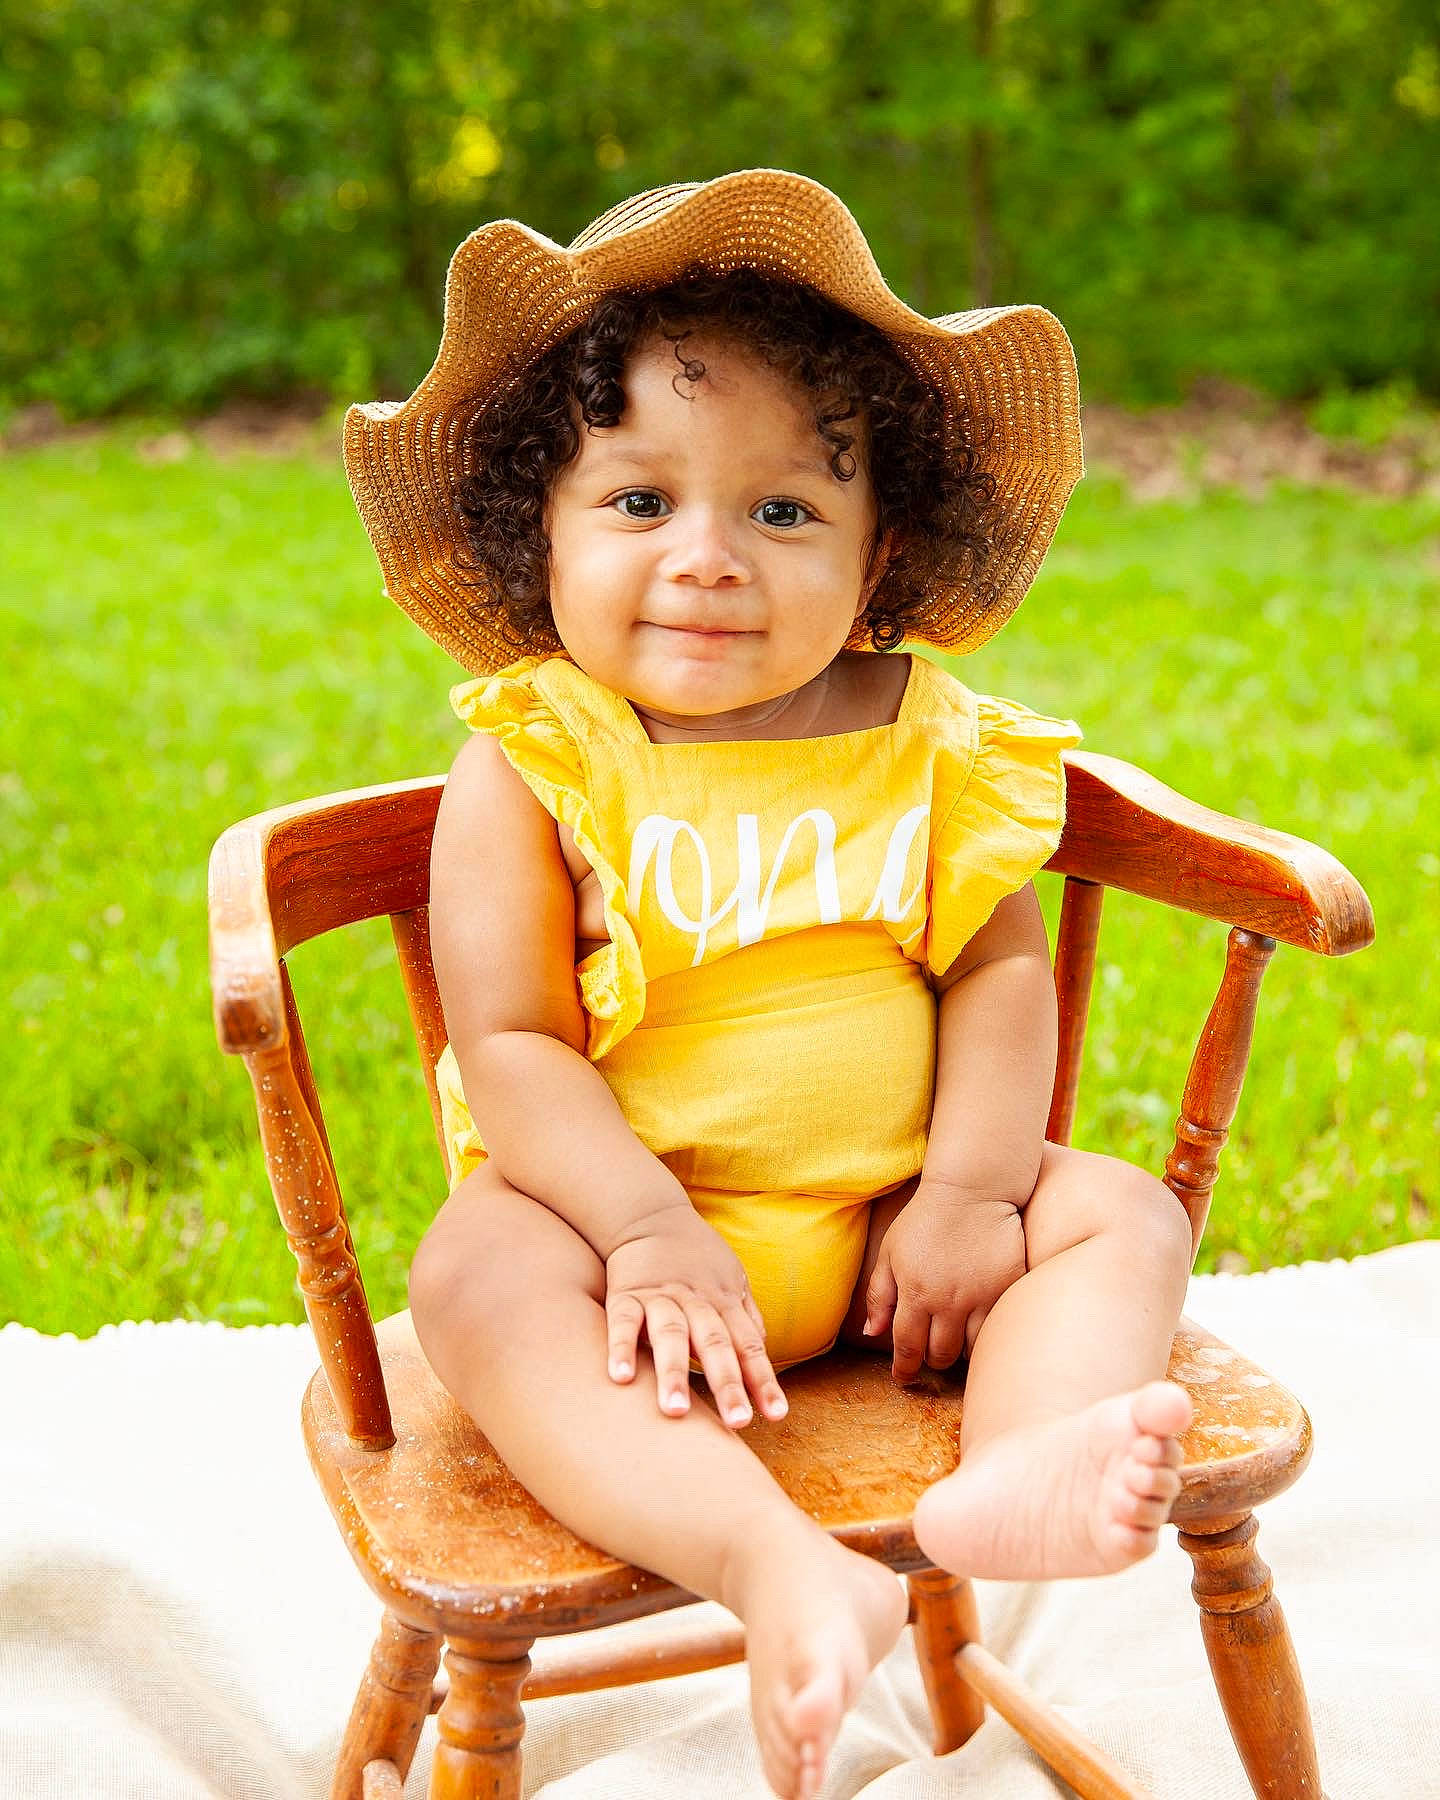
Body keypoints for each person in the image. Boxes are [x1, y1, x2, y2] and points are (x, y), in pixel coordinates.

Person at [343, 169, 1196, 1800]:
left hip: (895, 1237)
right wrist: (652, 1230)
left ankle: (1004, 1485)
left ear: (879, 563)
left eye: (785, 512)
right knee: (468, 1272)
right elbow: (510, 1042)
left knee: (1123, 1217)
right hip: (624, 1251)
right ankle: (769, 1559)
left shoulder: (928, 739)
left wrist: (968, 1193)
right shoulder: (538, 761)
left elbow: (1002, 975)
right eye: (642, 503)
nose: (711, 560)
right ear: (546, 531)